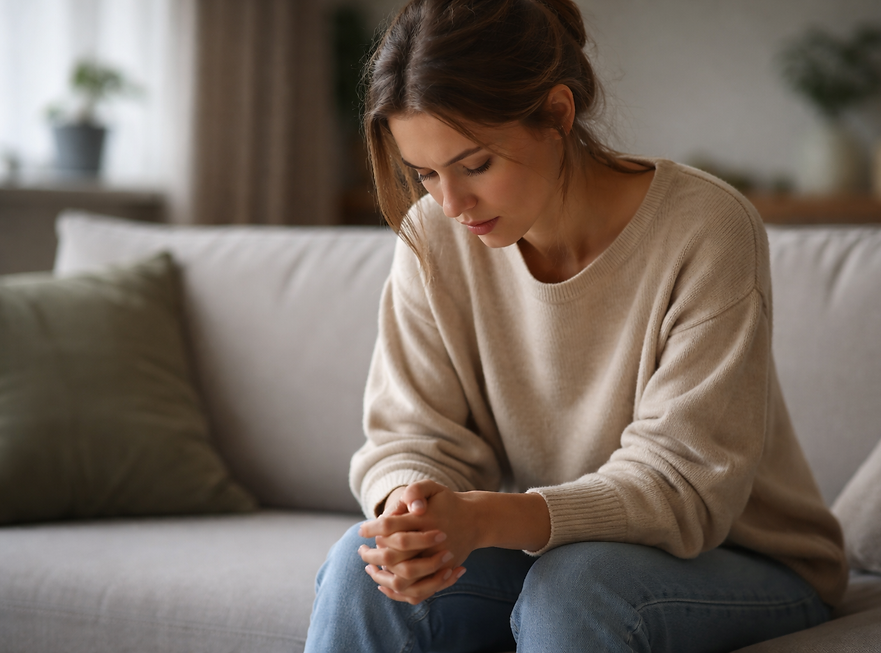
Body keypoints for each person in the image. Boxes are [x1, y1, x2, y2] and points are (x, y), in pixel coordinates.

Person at [304, 0, 848, 651]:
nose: (450, 203)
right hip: (558, 554)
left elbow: (684, 485)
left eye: (475, 165)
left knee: (576, 585)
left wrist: (486, 517)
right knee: (359, 570)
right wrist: (409, 520)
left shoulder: (706, 228)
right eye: (425, 174)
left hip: (748, 557)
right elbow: (412, 434)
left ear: (558, 114)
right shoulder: (433, 236)